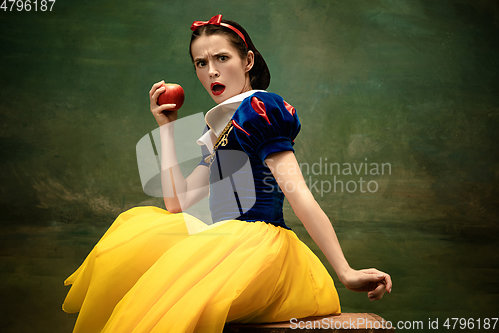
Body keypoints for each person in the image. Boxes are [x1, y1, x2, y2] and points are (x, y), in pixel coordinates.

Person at [62, 14, 392, 333]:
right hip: (221, 243)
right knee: (133, 264)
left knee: (174, 303)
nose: (212, 72)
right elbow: (178, 204)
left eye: (222, 58)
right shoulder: (220, 127)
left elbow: (299, 192)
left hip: (260, 250)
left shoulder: (260, 108)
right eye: (201, 64)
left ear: (248, 61)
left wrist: (345, 271)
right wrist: (167, 128)